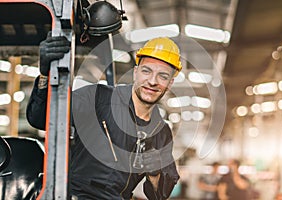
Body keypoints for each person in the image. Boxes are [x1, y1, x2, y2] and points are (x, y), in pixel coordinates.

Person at [26, 34, 182, 199]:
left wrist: (155, 173)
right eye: (147, 71)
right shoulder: (98, 98)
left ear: (170, 82)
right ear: (136, 72)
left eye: (163, 76)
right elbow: (40, 118)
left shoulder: (161, 132)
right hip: (77, 195)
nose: (152, 81)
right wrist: (44, 75)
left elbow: (159, 195)